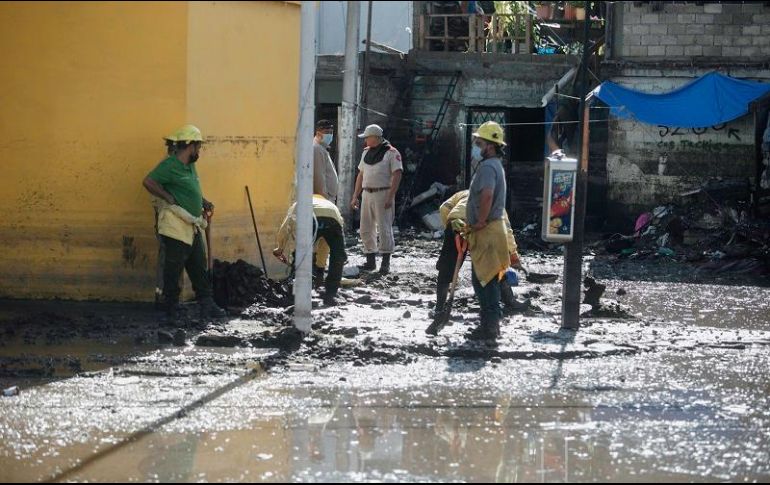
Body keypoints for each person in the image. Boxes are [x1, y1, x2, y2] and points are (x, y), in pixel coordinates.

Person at [142, 124, 226, 325]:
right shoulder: (169, 166)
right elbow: (148, 182)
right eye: (198, 147)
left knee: (198, 263)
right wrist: (167, 196)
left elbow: (192, 190)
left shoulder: (190, 165)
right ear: (189, 146)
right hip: (176, 224)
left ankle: (206, 303)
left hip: (192, 223)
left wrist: (202, 201)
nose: (199, 151)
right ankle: (170, 307)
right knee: (174, 266)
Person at [431, 190, 527, 327]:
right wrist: (513, 255)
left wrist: (451, 227)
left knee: (447, 268)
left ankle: (439, 309)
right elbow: (507, 230)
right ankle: (509, 301)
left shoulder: (464, 193)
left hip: (456, 223)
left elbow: (444, 208)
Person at [464, 121, 509, 341]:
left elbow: (487, 195)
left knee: (485, 280)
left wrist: (480, 220)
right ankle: (488, 323)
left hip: (488, 230)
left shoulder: (488, 167)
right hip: (490, 230)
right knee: (483, 278)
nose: (475, 145)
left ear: (490, 146)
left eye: (478, 142)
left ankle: (490, 326)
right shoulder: (494, 165)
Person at [273, 194, 347, 306]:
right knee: (338, 256)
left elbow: (286, 227)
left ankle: (297, 295)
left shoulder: (298, 204)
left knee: (301, 256)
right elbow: (325, 244)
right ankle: (330, 295)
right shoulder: (329, 204)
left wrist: (279, 248)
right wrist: (320, 268)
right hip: (333, 220)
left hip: (311, 219)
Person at [350, 124, 403, 275]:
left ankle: (385, 263)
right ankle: (370, 261)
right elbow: (361, 175)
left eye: (367, 137)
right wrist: (355, 195)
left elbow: (397, 174)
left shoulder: (391, 153)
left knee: (384, 228)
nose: (365, 140)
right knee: (366, 227)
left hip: (383, 193)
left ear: (375, 137)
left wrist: (390, 196)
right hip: (367, 193)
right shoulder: (366, 152)